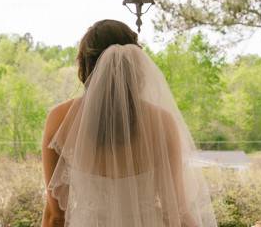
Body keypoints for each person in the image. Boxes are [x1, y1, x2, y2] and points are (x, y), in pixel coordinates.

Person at [41, 19, 216, 227]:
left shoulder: (59, 119)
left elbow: (56, 216)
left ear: (85, 65)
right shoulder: (161, 122)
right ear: (136, 62)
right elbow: (175, 211)